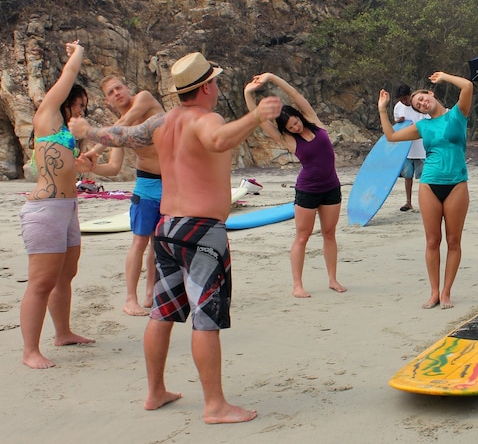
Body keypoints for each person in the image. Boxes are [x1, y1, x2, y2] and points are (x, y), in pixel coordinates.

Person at [71, 51, 282, 423]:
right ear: (205, 88)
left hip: (166, 229)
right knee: (206, 318)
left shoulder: (160, 122)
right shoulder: (207, 118)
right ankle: (215, 405)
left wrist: (86, 131)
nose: (217, 87)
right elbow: (217, 140)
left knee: (162, 313)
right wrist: (255, 116)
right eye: (214, 81)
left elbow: (121, 135)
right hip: (202, 231)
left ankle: (155, 392)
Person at [19, 39, 96, 369]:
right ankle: (30, 351)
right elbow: (71, 72)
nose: (81, 111)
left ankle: (62, 332)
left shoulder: (64, 131)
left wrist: (86, 161)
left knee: (66, 275)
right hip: (46, 209)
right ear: (65, 100)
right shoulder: (47, 115)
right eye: (79, 105)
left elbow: (68, 165)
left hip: (68, 208)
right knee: (41, 283)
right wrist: (76, 52)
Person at [244, 73, 346, 298]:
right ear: (286, 131)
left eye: (296, 121)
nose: (296, 127)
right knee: (302, 236)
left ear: (300, 116)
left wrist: (271, 77)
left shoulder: (315, 122)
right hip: (308, 191)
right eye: (291, 127)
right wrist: (247, 93)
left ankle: (332, 280)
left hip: (331, 187)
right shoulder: (288, 140)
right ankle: (297, 285)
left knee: (329, 233)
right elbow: (259, 119)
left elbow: (294, 94)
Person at [377, 72, 473, 309]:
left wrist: (445, 77)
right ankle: (433, 292)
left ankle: (447, 292)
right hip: (429, 183)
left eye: (423, 98)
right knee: (432, 241)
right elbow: (391, 136)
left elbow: (468, 86)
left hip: (457, 184)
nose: (422, 103)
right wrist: (382, 109)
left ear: (431, 95)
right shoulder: (423, 126)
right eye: (418, 104)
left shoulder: (457, 115)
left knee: (453, 241)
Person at [82, 76, 166, 316]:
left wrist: (92, 149)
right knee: (140, 241)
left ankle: (151, 293)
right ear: (107, 100)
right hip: (147, 184)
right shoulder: (114, 131)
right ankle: (131, 299)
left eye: (119, 87)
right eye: (111, 92)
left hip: (172, 182)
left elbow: (126, 121)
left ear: (128, 88)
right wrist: (90, 167)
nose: (117, 93)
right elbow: (113, 169)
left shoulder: (144, 99)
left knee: (160, 242)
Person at [392, 84, 429, 212]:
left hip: (421, 148)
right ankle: (408, 202)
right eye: (401, 99)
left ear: (410, 95)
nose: (403, 101)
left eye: (405, 98)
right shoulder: (398, 107)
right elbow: (397, 127)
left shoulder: (419, 105)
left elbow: (427, 122)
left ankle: (427, 202)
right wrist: (399, 122)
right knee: (408, 177)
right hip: (406, 149)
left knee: (425, 178)